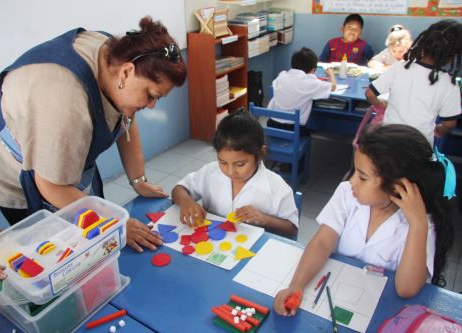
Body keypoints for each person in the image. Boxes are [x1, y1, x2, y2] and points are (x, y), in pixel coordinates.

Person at [0, 17, 187, 253]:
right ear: (127, 72)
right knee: (54, 249)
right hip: (9, 166)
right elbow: (51, 185)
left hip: (55, 153)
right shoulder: (65, 99)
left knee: (93, 230)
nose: (152, 105)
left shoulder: (118, 57)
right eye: (151, 95)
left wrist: (138, 181)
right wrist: (116, 223)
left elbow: (126, 119)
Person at [274, 124, 457, 315]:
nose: (352, 181)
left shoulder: (420, 224)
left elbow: (406, 289)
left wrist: (417, 225)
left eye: (362, 177)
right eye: (355, 171)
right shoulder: (347, 193)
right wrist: (296, 285)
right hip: (336, 296)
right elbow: (322, 241)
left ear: (397, 186)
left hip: (381, 311)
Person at [171, 111, 299, 239]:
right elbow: (179, 189)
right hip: (212, 244)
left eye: (240, 164)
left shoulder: (276, 186)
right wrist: (186, 202)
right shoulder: (210, 172)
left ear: (260, 154)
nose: (230, 172)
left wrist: (264, 219)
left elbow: (292, 229)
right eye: (223, 162)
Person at [365, 19, 461, 146]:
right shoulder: (449, 84)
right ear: (451, 55)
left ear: (423, 42)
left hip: (388, 142)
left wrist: (381, 104)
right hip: (419, 148)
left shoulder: (398, 68)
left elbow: (369, 94)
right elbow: (449, 124)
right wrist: (439, 129)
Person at [267, 47, 336, 136]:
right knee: (308, 130)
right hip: (294, 130)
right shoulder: (310, 83)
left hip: (272, 124)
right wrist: (331, 74)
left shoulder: (282, 75)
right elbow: (333, 87)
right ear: (313, 70)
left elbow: (274, 85)